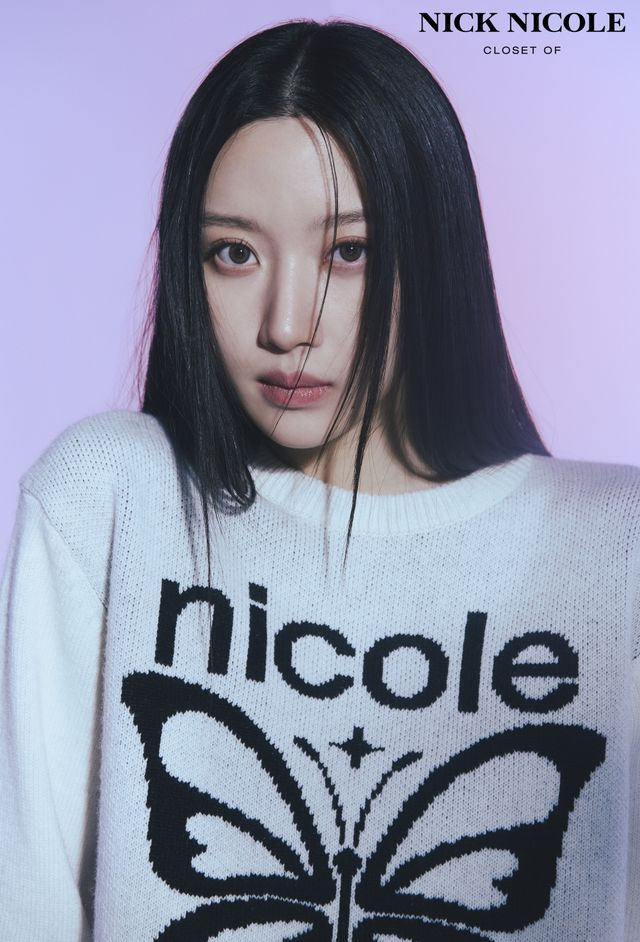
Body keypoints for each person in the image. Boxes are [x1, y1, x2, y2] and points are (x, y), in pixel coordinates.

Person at [0, 18, 638, 942]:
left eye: (349, 251)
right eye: (234, 253)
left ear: (434, 252)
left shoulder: (611, 548)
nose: (286, 323)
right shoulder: (109, 500)